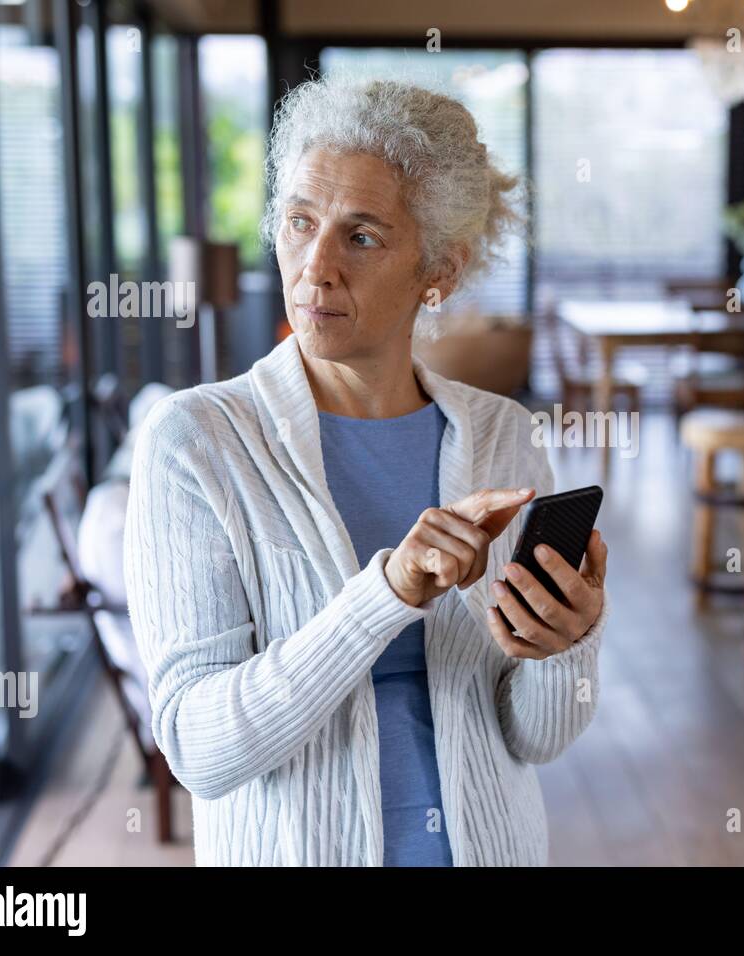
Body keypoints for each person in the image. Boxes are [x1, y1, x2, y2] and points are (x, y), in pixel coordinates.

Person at [124, 77, 609, 866]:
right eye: (300, 222)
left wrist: (565, 645)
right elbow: (199, 749)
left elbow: (536, 737)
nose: (316, 268)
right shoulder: (196, 442)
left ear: (439, 271)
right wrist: (386, 596)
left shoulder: (502, 436)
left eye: (362, 237)